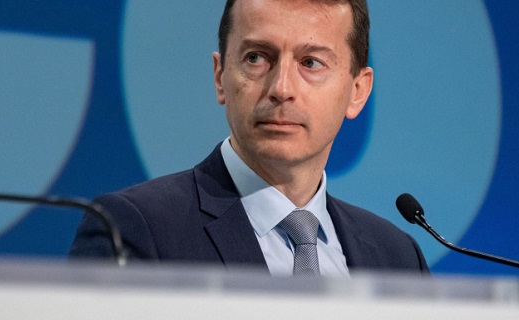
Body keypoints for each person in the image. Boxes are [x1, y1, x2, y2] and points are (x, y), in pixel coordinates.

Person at [70, 0, 429, 276]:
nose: (281, 89)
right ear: (220, 76)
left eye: (311, 63)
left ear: (357, 91)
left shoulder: (398, 258)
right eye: (256, 58)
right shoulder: (136, 230)